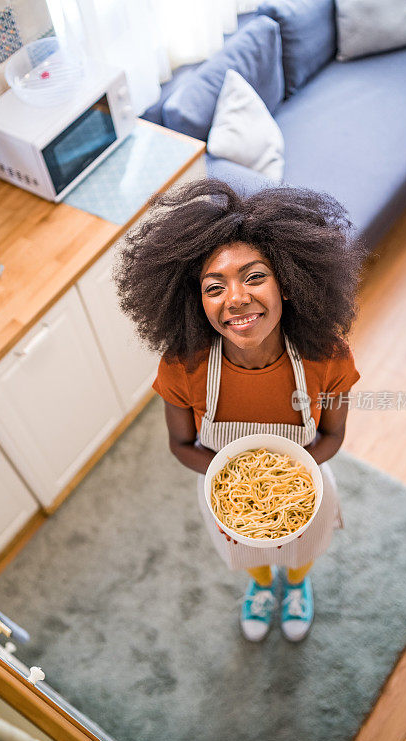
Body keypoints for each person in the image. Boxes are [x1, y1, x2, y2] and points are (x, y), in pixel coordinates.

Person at [114, 179, 363, 643]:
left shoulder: (326, 356)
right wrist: (237, 483)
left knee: (301, 549)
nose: (236, 298)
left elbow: (331, 436)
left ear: (287, 284)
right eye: (214, 287)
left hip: (304, 488)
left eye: (254, 277)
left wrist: (286, 484)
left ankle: (297, 583)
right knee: (250, 557)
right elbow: (181, 443)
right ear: (198, 303)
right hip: (224, 495)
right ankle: (261, 586)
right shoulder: (182, 367)